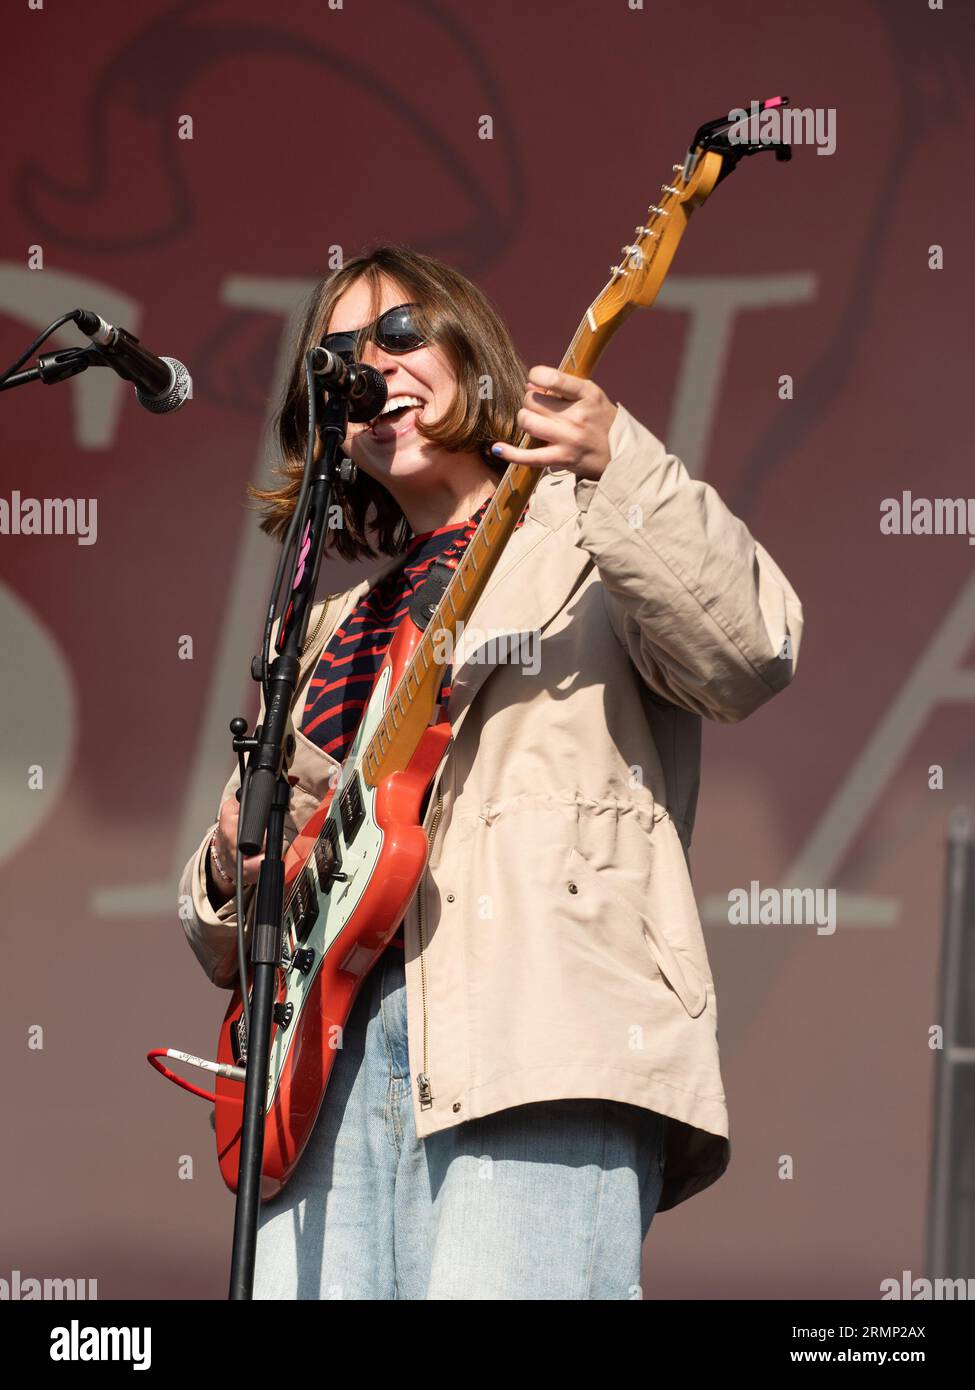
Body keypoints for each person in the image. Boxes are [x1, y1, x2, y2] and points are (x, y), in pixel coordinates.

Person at [177, 243, 803, 1300]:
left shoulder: (593, 535)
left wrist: (618, 466)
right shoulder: (328, 627)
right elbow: (222, 931)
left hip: (530, 1039)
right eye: (336, 354)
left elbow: (749, 650)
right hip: (318, 1077)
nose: (367, 365)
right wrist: (242, 855)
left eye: (400, 333)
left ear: (475, 355)